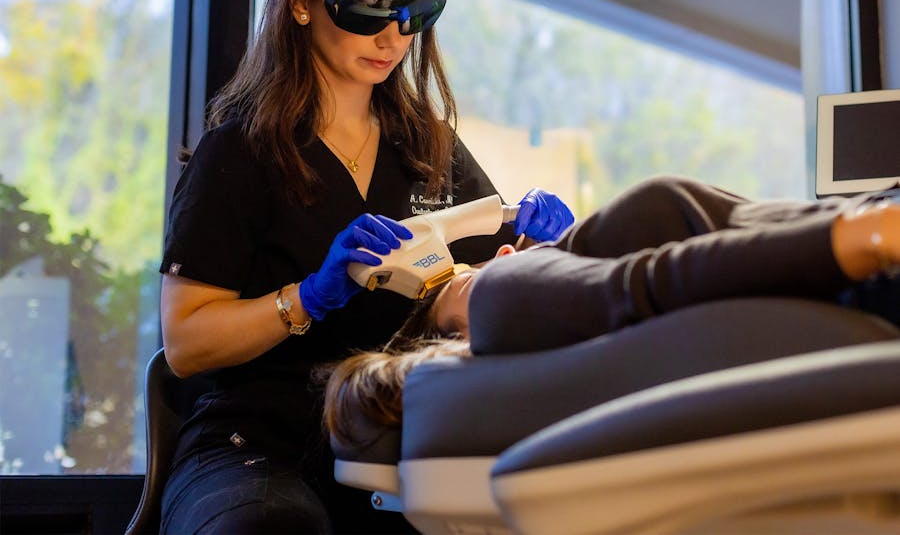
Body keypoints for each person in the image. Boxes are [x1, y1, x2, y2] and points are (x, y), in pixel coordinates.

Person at [158, 0, 574, 534]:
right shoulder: (240, 153)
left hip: (394, 432)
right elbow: (186, 344)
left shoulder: (428, 145)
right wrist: (311, 297)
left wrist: (541, 258)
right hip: (259, 443)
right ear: (301, 1)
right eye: (368, 9)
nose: (392, 37)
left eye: (412, 12)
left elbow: (475, 297)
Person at [323, 175, 900, 450]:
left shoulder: (521, 305)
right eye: (466, 280)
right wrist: (874, 234)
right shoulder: (504, 303)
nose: (503, 252)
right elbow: (656, 283)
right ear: (458, 340)